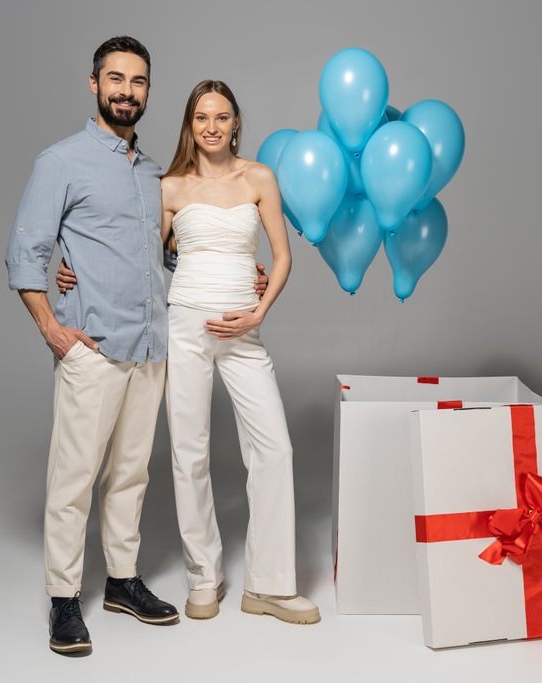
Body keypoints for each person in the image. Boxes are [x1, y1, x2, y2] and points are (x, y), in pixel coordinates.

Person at [58, 80, 319, 625]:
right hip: (184, 328)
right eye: (202, 117)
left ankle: (270, 586)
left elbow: (282, 256)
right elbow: (134, 252)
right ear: (190, 124)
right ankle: (205, 574)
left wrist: (260, 309)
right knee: (189, 453)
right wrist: (72, 268)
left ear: (236, 122)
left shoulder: (259, 178)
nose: (212, 127)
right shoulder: (169, 186)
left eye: (222, 117)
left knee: (275, 449)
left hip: (243, 331)